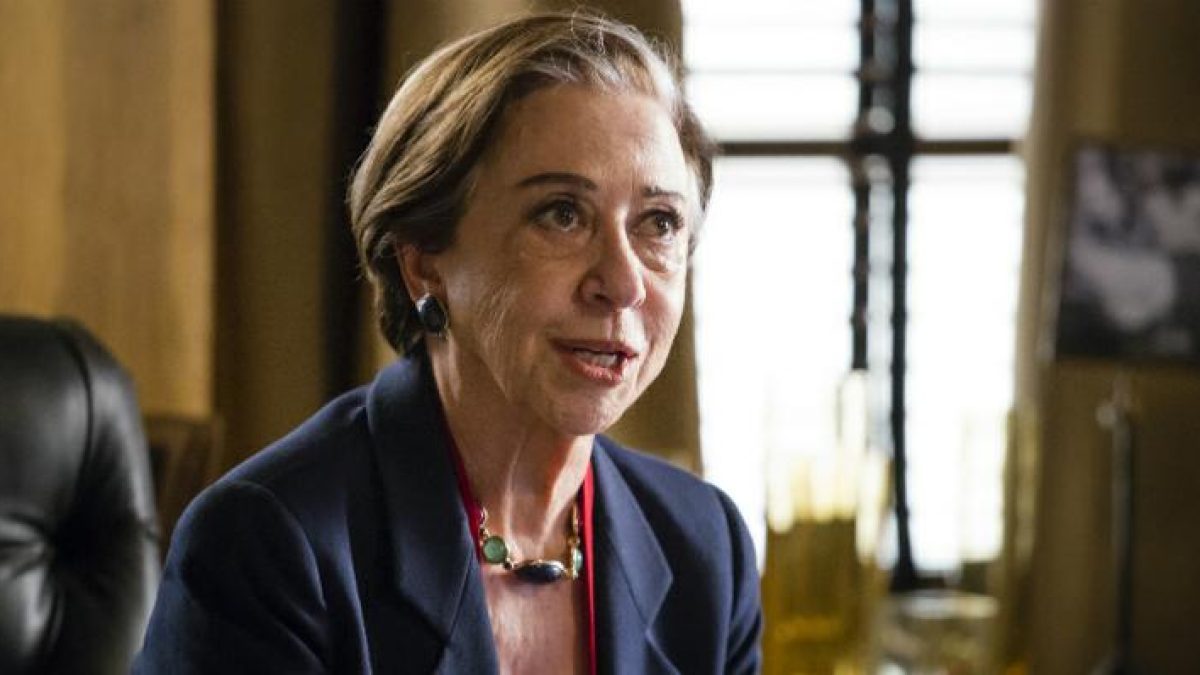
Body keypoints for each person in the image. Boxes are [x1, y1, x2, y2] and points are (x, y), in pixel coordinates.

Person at [134, 11, 761, 674]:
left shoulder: (704, 549)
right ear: (424, 262)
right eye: (562, 214)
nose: (624, 283)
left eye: (659, 223)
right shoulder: (267, 544)